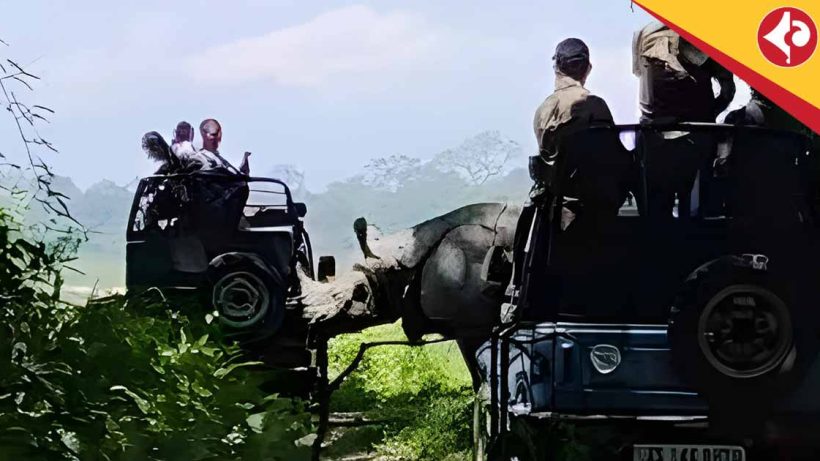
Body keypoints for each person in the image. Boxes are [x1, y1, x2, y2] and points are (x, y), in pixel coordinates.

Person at [633, 21, 735, 123]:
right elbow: (728, 91)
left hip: (650, 129)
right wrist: (709, 115)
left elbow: (640, 73)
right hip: (697, 129)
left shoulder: (642, 33)